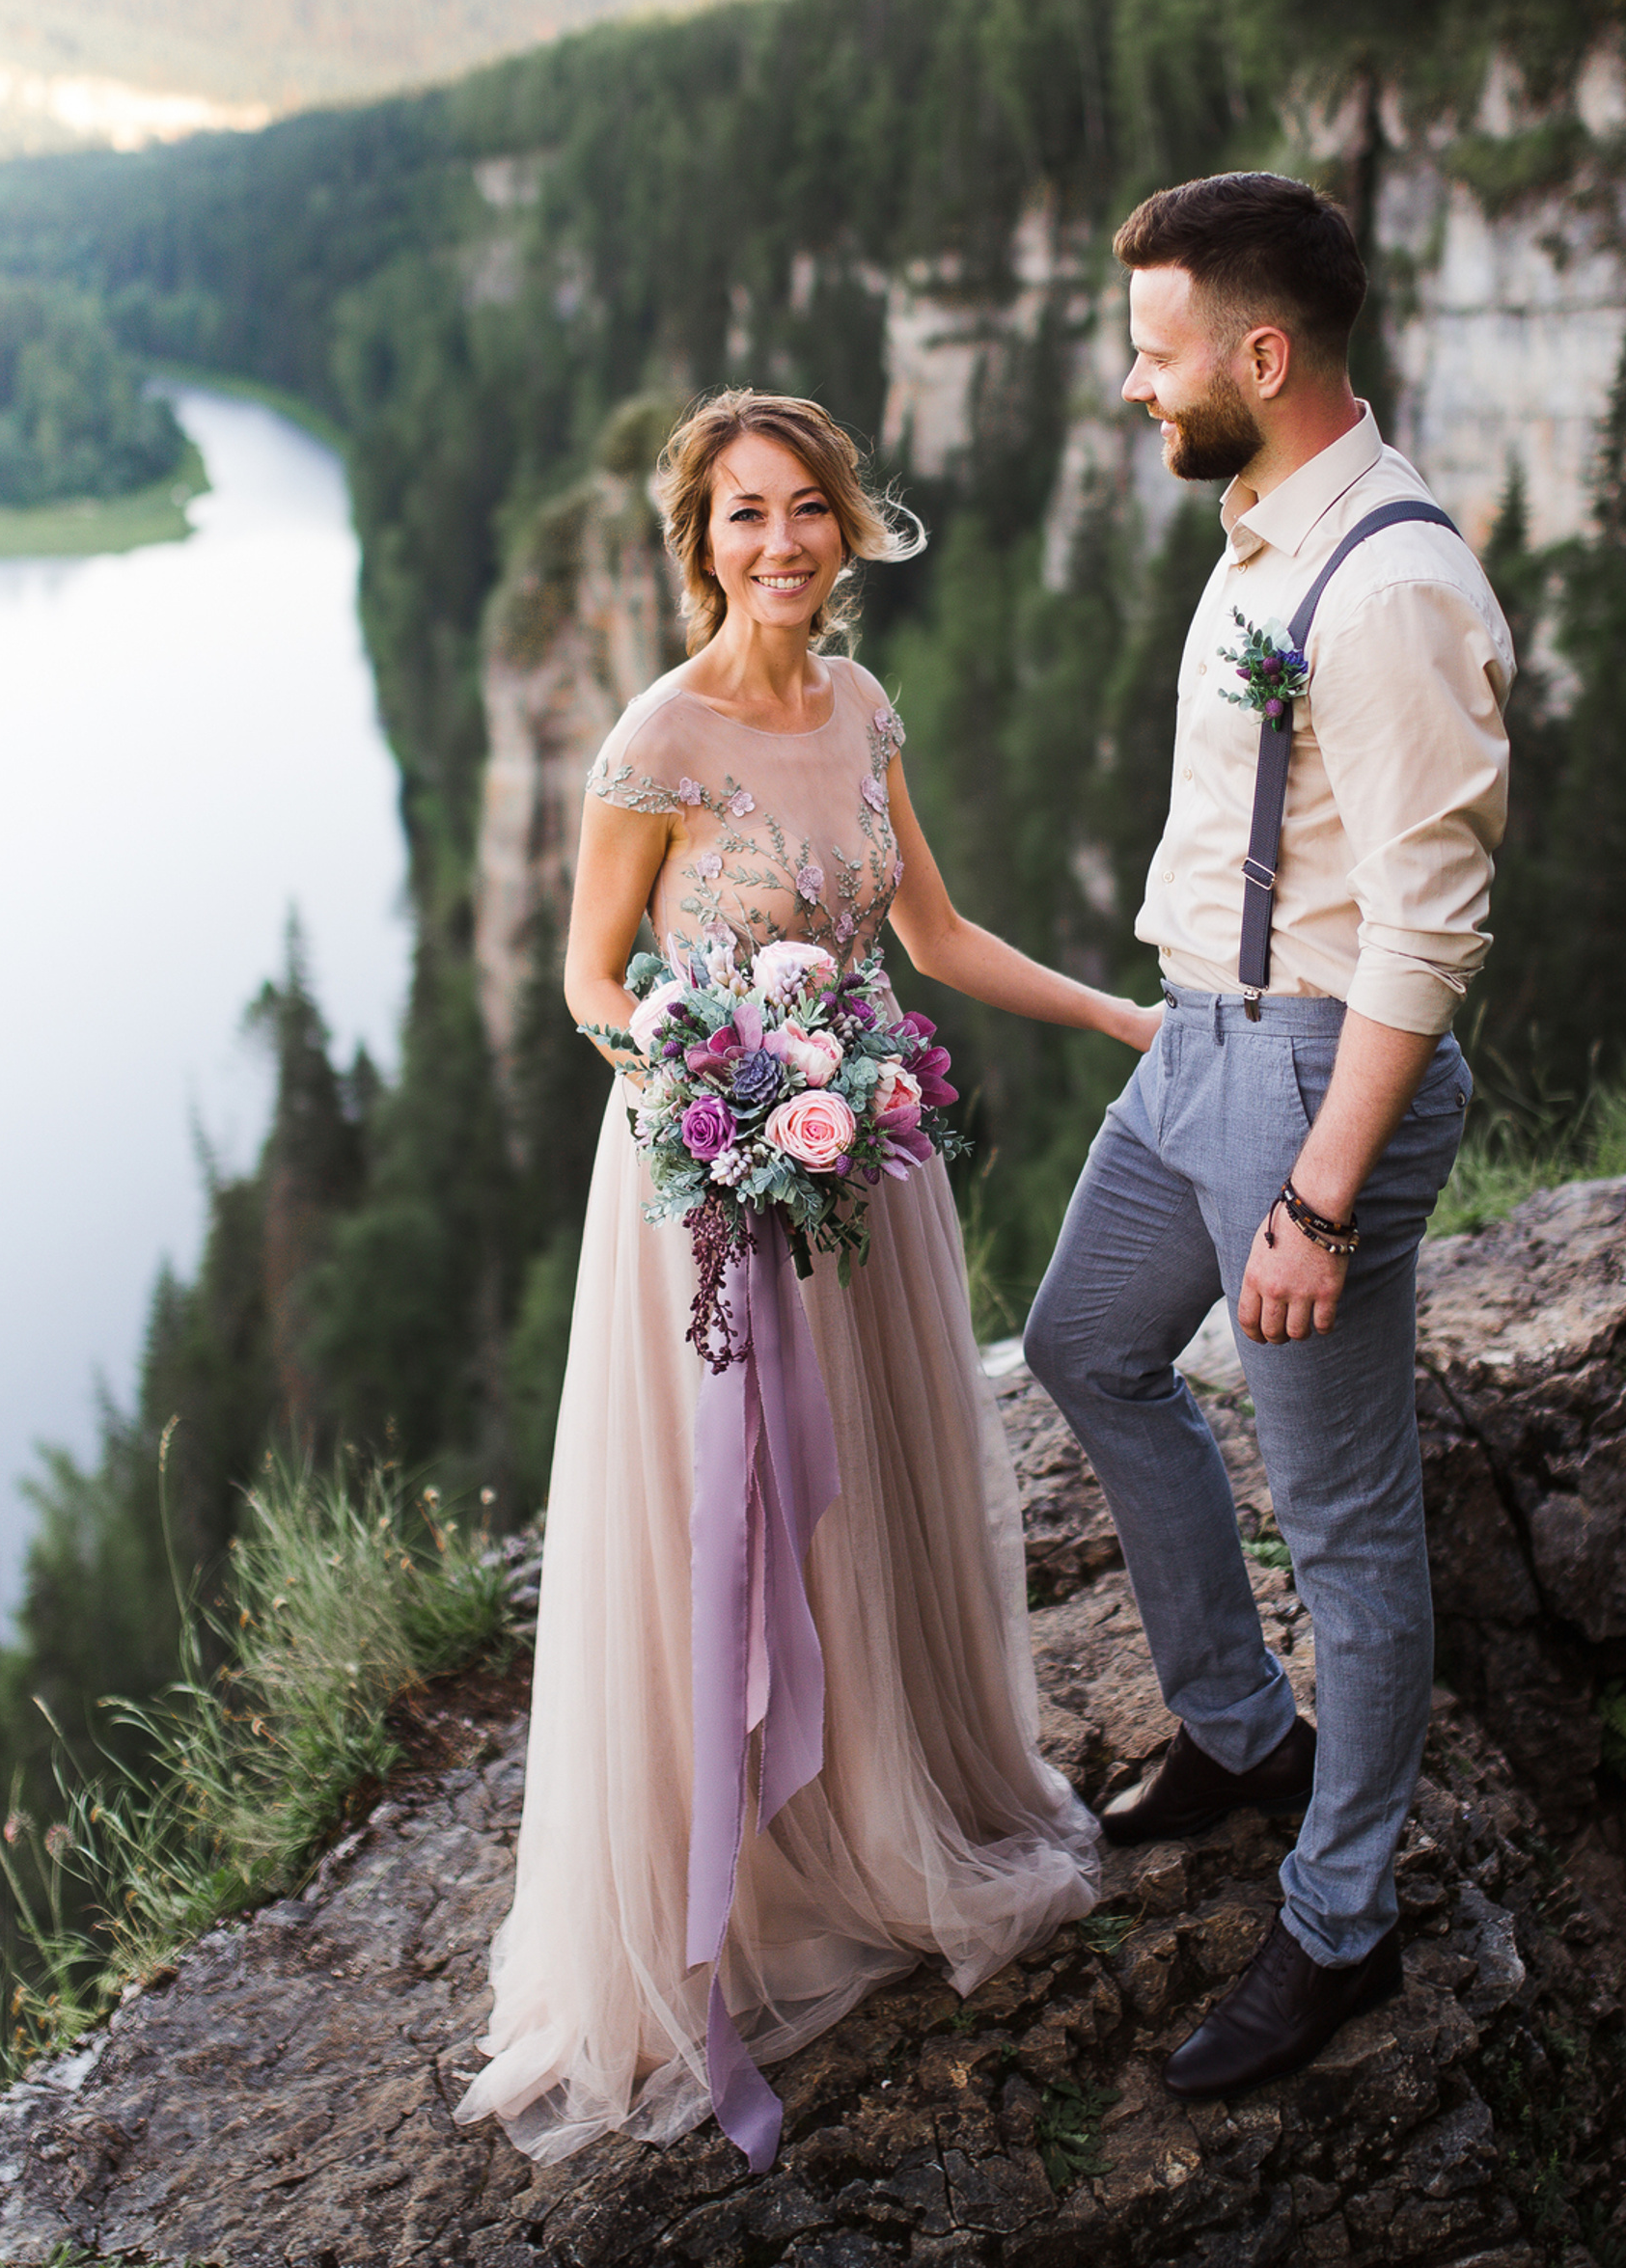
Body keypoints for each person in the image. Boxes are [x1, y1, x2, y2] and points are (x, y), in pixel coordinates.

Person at [456, 388, 1157, 2166]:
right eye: (745, 516)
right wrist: (703, 1083)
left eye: (808, 511)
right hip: (712, 1188)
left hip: (867, 1184)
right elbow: (589, 978)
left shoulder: (858, 709)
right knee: (735, 1519)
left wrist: (1117, 1012)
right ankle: (751, 1881)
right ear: (701, 544)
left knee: (880, 1502)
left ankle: (900, 1810)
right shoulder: (658, 736)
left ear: (848, 527)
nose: (781, 543)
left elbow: (930, 935)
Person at [1023, 173, 1515, 2101]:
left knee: (1347, 1526)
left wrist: (1314, 1200)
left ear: (1258, 352)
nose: (1132, 389)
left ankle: (1340, 1924)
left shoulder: (1387, 585)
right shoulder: (1252, 535)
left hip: (1314, 1086)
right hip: (1198, 1051)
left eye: (1154, 354)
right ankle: (1238, 1726)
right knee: (1080, 1342)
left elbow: (1427, 928)